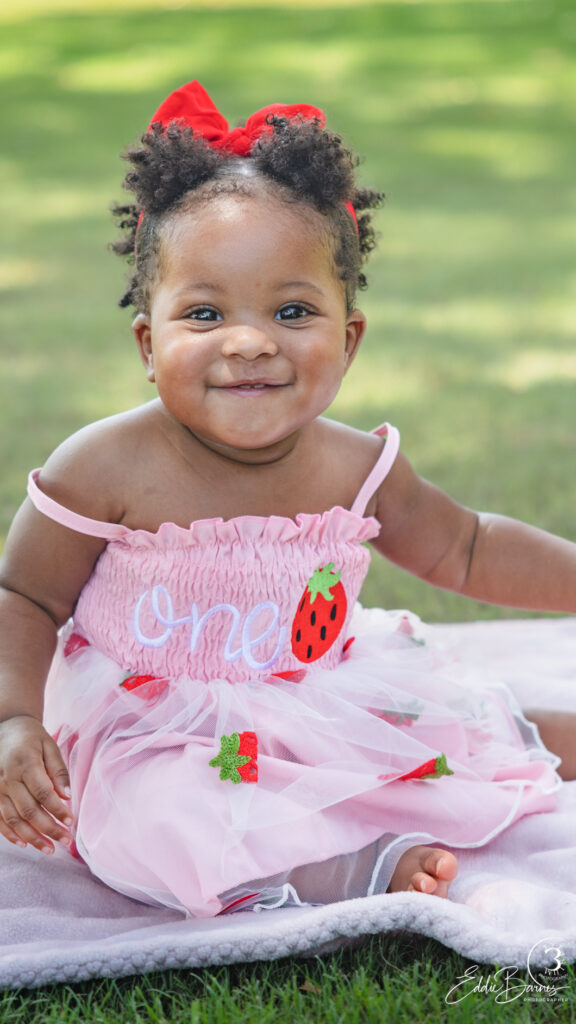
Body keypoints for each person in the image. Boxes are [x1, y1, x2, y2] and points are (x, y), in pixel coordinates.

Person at [0, 81, 575, 918]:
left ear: (347, 339)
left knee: (448, 734)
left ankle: (543, 736)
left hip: (316, 699)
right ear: (147, 342)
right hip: (158, 731)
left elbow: (469, 547)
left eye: (293, 309)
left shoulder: (355, 466)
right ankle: (356, 868)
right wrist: (15, 719)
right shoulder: (103, 466)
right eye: (203, 312)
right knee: (163, 821)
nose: (249, 341)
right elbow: (23, 595)